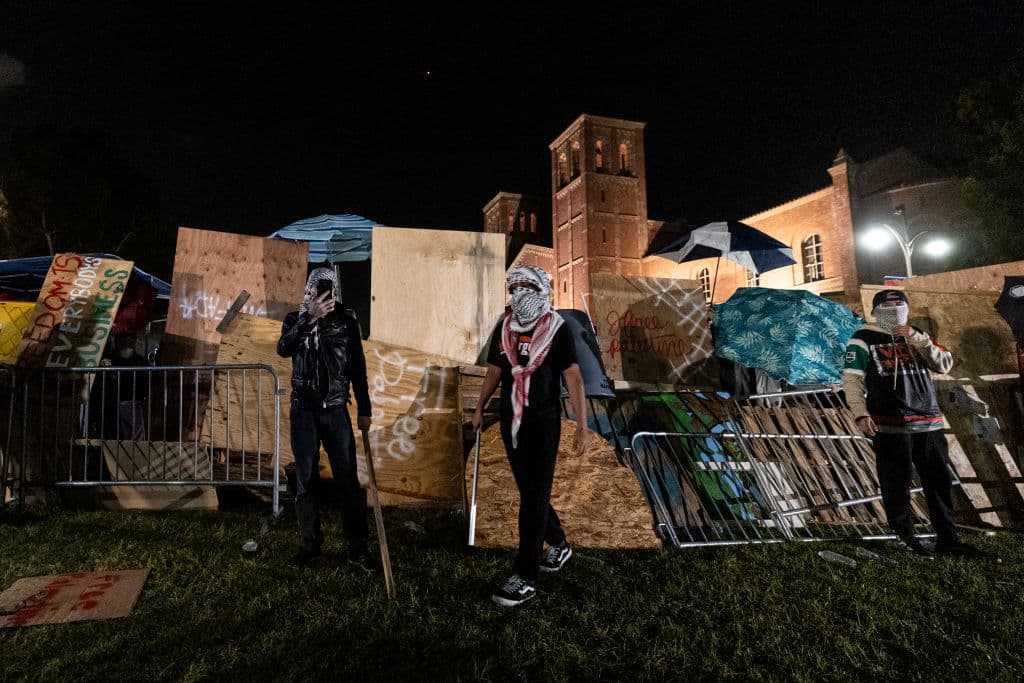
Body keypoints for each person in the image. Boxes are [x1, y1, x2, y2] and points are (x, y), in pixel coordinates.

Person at [471, 266, 592, 607]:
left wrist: (581, 425)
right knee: (531, 492)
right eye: (515, 286)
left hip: (542, 422)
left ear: (541, 289)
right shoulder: (505, 326)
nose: (520, 292)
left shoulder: (556, 327)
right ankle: (559, 543)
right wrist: (479, 407)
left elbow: (573, 376)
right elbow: (495, 370)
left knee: (533, 498)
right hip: (511, 420)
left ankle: (525, 577)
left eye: (527, 285)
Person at [842, 289, 984, 558]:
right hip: (889, 423)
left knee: (939, 482)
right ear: (876, 310)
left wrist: (919, 339)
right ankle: (904, 537)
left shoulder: (918, 335)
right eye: (887, 304)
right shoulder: (863, 338)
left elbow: (944, 365)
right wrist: (860, 413)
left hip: (929, 422)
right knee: (896, 483)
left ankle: (948, 539)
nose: (894, 307)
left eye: (899, 303)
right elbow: (852, 379)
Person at [277, 265, 376, 572]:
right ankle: (309, 545)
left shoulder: (346, 319)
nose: (322, 297)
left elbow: (357, 366)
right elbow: (283, 349)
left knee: (348, 481)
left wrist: (364, 408)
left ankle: (358, 549)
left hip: (335, 411)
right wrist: (309, 318)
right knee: (305, 480)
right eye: (316, 291)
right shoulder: (294, 319)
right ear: (308, 291)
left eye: (327, 291)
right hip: (303, 411)